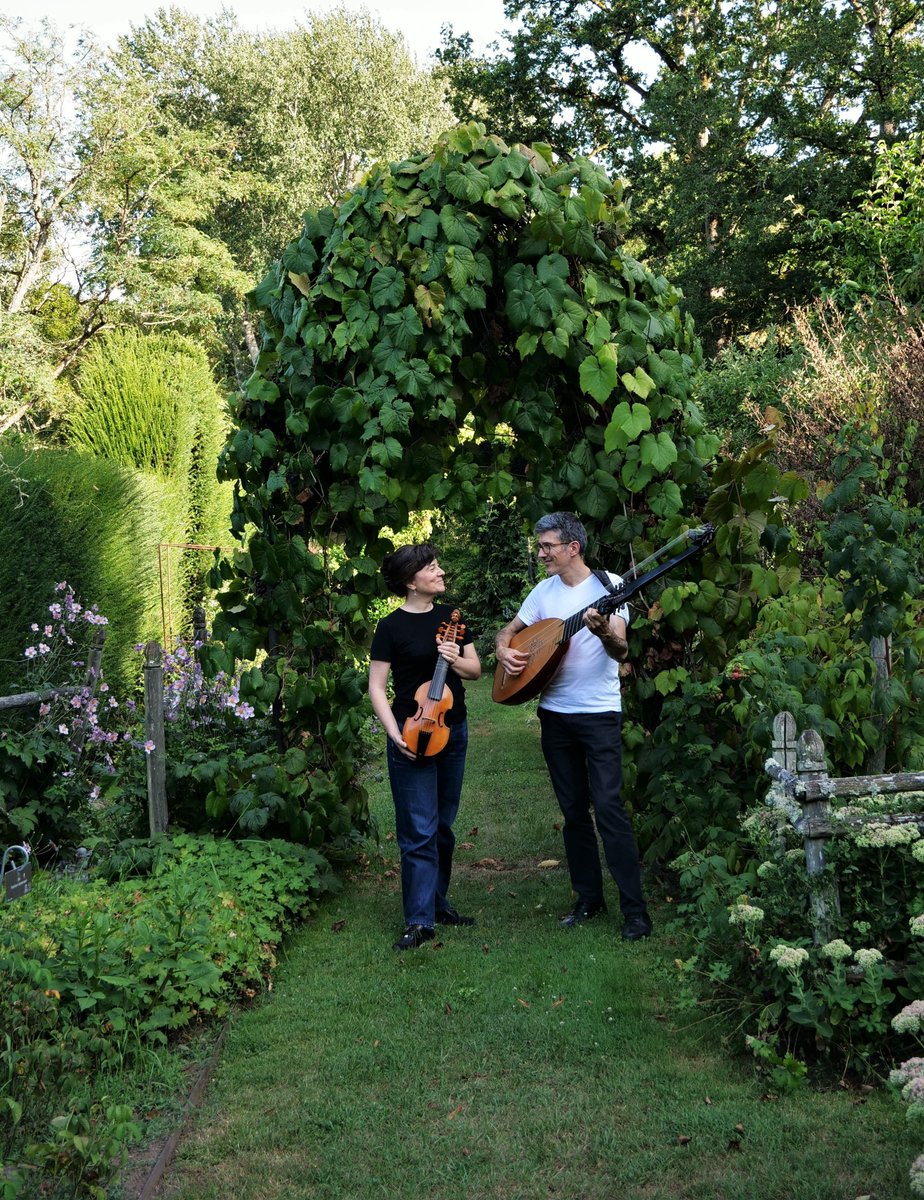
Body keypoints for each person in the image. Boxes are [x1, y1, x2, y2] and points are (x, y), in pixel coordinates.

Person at [494, 512, 652, 940]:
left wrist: (602, 632)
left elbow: (620, 650)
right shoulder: (542, 594)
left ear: (572, 548)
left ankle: (635, 911)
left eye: (547, 546)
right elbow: (507, 632)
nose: (541, 553)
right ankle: (588, 898)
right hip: (555, 715)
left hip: (599, 713)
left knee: (609, 809)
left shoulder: (608, 586)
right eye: (541, 546)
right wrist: (504, 651)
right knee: (573, 812)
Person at [369, 543, 482, 951]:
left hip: (452, 731)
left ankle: (437, 902)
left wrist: (453, 658)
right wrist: (394, 733)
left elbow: (475, 669)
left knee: (443, 826)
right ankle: (418, 921)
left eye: (437, 564)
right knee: (418, 830)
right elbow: (377, 688)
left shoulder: (452, 619)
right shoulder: (390, 627)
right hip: (411, 733)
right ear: (409, 581)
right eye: (430, 568)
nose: (439, 571)